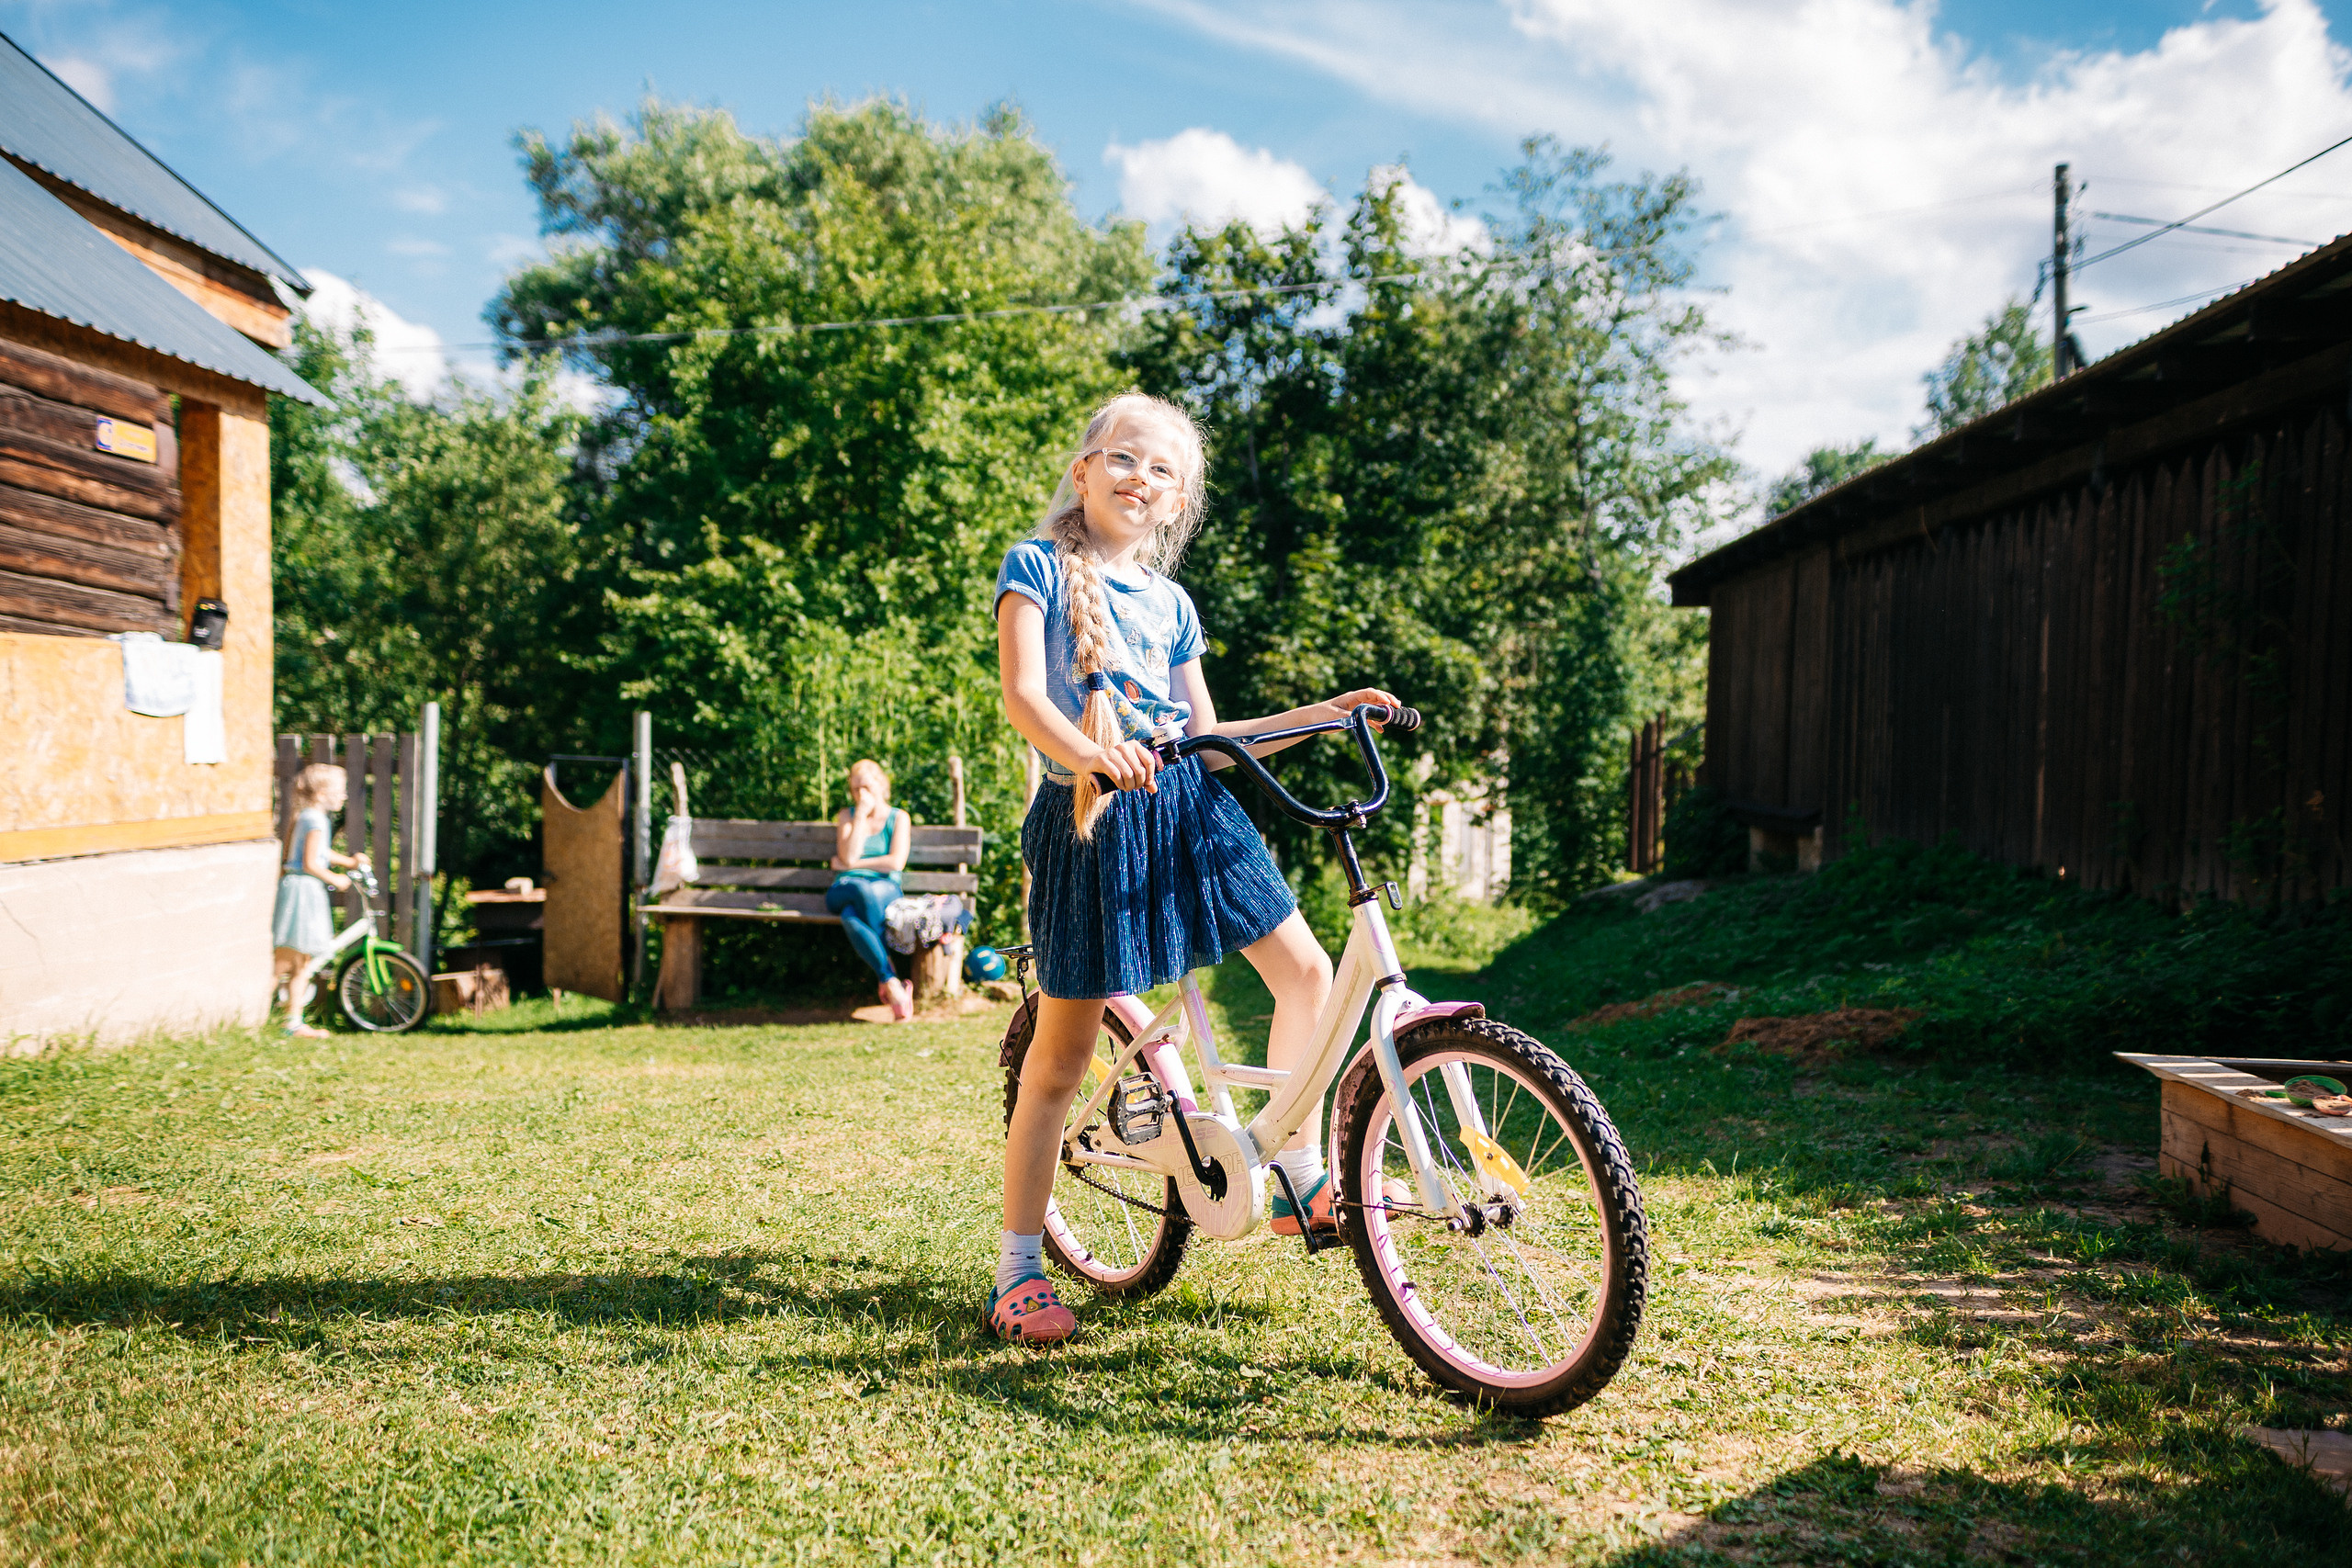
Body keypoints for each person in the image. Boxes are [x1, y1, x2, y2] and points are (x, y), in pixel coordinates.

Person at [988, 390, 1399, 1343]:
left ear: (1178, 502)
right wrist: (1090, 755)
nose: (1140, 478)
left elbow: (1210, 741)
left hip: (1189, 807)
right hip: (1090, 816)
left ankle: (1296, 1171)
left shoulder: (1172, 603)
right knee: (1060, 1058)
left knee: (1306, 972)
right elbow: (1021, 696)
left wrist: (1321, 713)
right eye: (1123, 458)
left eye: (1162, 470)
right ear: (1085, 470)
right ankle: (1017, 1268)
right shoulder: (1037, 568)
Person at [272, 763, 368, 1038]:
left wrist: (348, 861)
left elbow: (319, 851)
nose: (345, 796)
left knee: (299, 961)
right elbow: (310, 862)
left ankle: (292, 1022)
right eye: (340, 791)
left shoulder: (308, 816)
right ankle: (265, 1020)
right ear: (323, 792)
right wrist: (336, 879)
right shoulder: (316, 820)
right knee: (287, 962)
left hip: (301, 888)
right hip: (304, 890)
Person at [828, 758, 915, 1021]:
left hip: (885, 888)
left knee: (850, 917)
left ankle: (889, 982)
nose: (860, 794)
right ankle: (891, 979)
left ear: (881, 785)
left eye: (865, 787)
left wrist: (851, 864)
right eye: (855, 789)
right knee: (858, 889)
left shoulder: (898, 817)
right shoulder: (848, 816)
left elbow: (895, 862)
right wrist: (861, 818)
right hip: (844, 888)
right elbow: (848, 853)